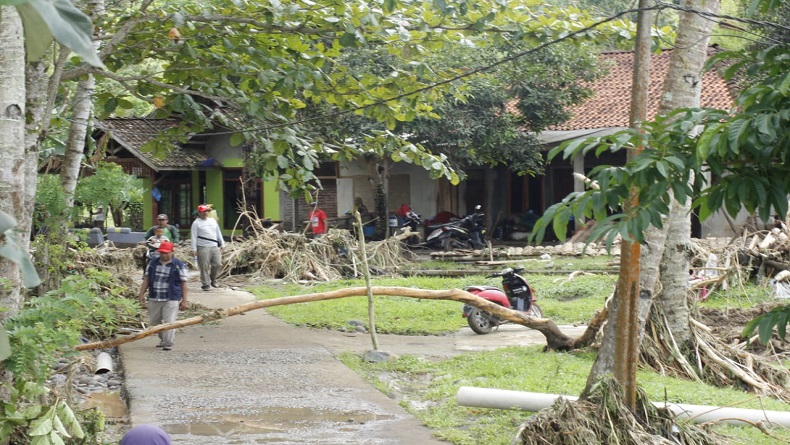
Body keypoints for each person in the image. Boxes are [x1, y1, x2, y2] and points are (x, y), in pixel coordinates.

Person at [137, 241, 188, 351]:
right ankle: (163, 339)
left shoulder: (179, 265)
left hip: (171, 297)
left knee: (169, 321)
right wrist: (141, 294)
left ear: (172, 252)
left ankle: (168, 342)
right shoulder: (152, 263)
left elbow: (184, 283)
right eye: (162, 253)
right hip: (155, 296)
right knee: (154, 321)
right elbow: (146, 279)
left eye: (166, 253)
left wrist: (184, 300)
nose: (164, 255)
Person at [191, 204, 224, 291]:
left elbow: (218, 232)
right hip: (202, 247)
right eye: (203, 212)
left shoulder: (212, 221)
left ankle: (213, 279)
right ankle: (205, 284)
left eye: (206, 211)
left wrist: (222, 244)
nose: (205, 213)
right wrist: (194, 249)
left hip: (214, 246)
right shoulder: (196, 223)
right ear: (199, 213)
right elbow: (194, 236)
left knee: (218, 264)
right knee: (204, 266)